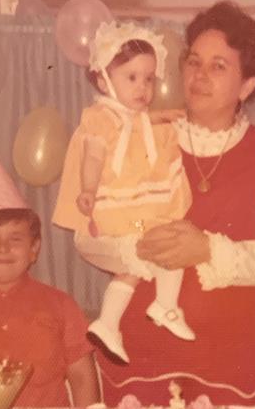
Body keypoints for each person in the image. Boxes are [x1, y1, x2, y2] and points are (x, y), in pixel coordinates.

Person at [97, 1, 255, 406]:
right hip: (143, 354)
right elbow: (89, 234)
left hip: (233, 361)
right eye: (194, 62)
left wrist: (208, 250)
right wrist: (138, 242)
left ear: (247, 86)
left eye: (218, 67)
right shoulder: (140, 136)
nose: (199, 75)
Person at [53, 21, 194, 365]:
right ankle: (151, 309)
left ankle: (127, 317)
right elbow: (94, 155)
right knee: (147, 250)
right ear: (103, 81)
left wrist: (163, 119)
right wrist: (87, 189)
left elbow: (138, 124)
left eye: (148, 78)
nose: (143, 87)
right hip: (116, 213)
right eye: (131, 78)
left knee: (163, 247)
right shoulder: (100, 117)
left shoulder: (138, 119)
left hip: (139, 214)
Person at [0, 154, 99, 407]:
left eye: (15, 239)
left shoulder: (60, 305)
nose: (2, 249)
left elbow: (81, 377)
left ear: (34, 249)